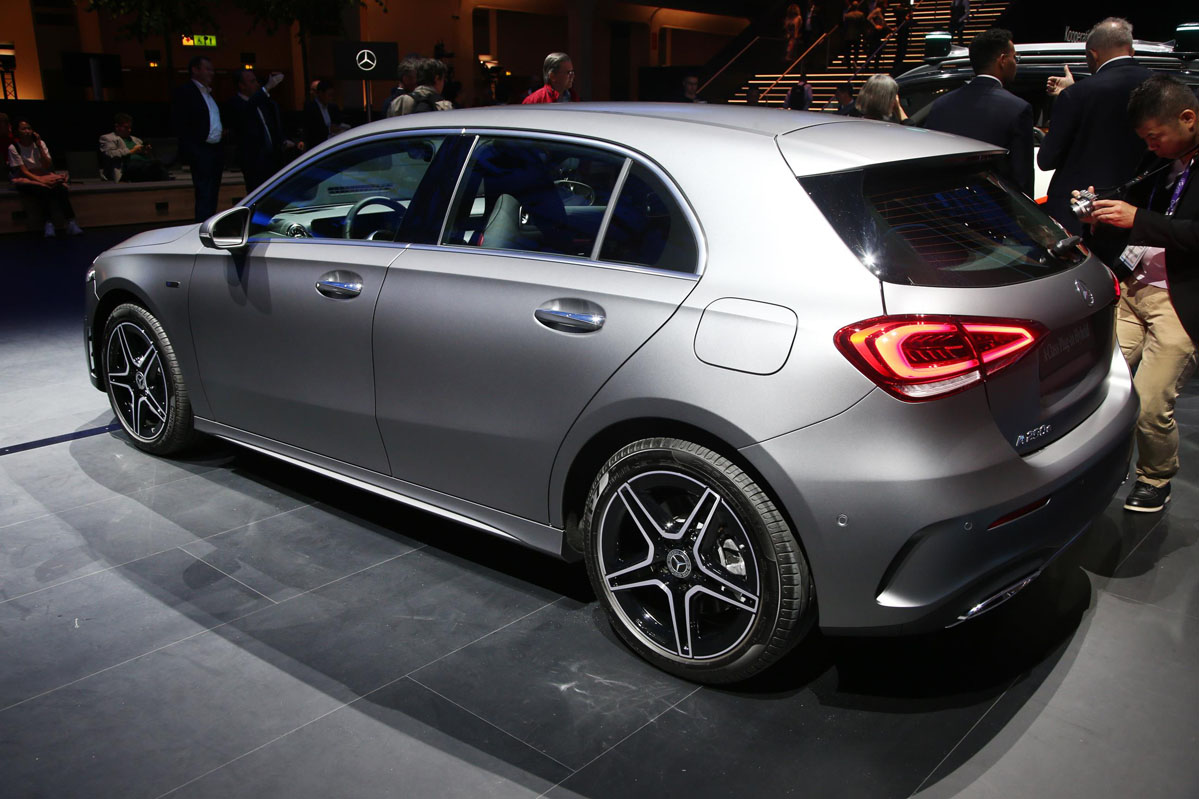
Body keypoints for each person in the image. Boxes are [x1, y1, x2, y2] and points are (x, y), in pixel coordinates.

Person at [1079, 75, 1199, 513]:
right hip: (1133, 286)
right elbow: (1137, 223)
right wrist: (1102, 216)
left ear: (1187, 118)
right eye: (1145, 138)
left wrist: (1137, 219)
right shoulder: (1159, 162)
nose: (1150, 146)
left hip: (1180, 302)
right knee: (1099, 385)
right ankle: (1100, 469)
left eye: (1155, 136)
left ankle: (1155, 477)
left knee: (1150, 400)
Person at [1038, 17, 1153, 242]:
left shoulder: (1077, 95)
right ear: (1131, 50)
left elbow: (1047, 159)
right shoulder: (1163, 87)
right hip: (1142, 210)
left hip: (1083, 212)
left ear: (1092, 54)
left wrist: (1070, 95)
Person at [921, 29, 1033, 196]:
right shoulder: (1018, 109)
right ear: (1003, 60)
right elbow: (1022, 180)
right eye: (1015, 58)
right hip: (993, 207)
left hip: (944, 205)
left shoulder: (941, 105)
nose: (1016, 63)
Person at [228, 69, 302, 193]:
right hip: (254, 161)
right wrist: (266, 88)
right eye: (252, 81)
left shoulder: (263, 104)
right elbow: (248, 109)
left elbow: (270, 127)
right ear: (241, 85)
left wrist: (282, 141)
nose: (256, 84)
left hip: (273, 158)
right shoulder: (236, 104)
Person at [6, 119, 83, 237]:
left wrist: (39, 147)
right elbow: (24, 171)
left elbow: (47, 165)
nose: (27, 131)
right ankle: (48, 223)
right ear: (17, 131)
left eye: (29, 128)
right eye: (23, 129)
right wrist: (41, 181)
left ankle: (71, 222)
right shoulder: (14, 147)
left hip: (44, 174)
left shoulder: (40, 143)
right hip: (26, 177)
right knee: (43, 190)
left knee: (61, 189)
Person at [172, 55, 224, 222]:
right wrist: (193, 149)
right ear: (195, 70)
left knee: (213, 192)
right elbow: (182, 123)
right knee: (204, 193)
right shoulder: (186, 91)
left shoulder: (209, 94)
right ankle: (202, 226)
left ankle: (210, 223)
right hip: (200, 149)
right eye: (207, 69)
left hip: (214, 149)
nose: (211, 73)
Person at [99, 113, 169, 183]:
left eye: (130, 127)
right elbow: (110, 154)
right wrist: (132, 151)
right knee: (156, 165)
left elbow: (144, 154)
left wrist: (145, 151)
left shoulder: (136, 139)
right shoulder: (107, 138)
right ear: (117, 126)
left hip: (143, 164)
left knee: (157, 164)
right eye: (126, 127)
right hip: (127, 166)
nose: (129, 130)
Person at [303, 80, 343, 150]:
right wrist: (329, 129)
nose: (331, 98)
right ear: (321, 93)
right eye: (329, 95)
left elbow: (338, 121)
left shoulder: (332, 107)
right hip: (318, 147)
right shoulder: (310, 108)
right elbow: (312, 130)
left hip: (333, 144)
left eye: (332, 95)